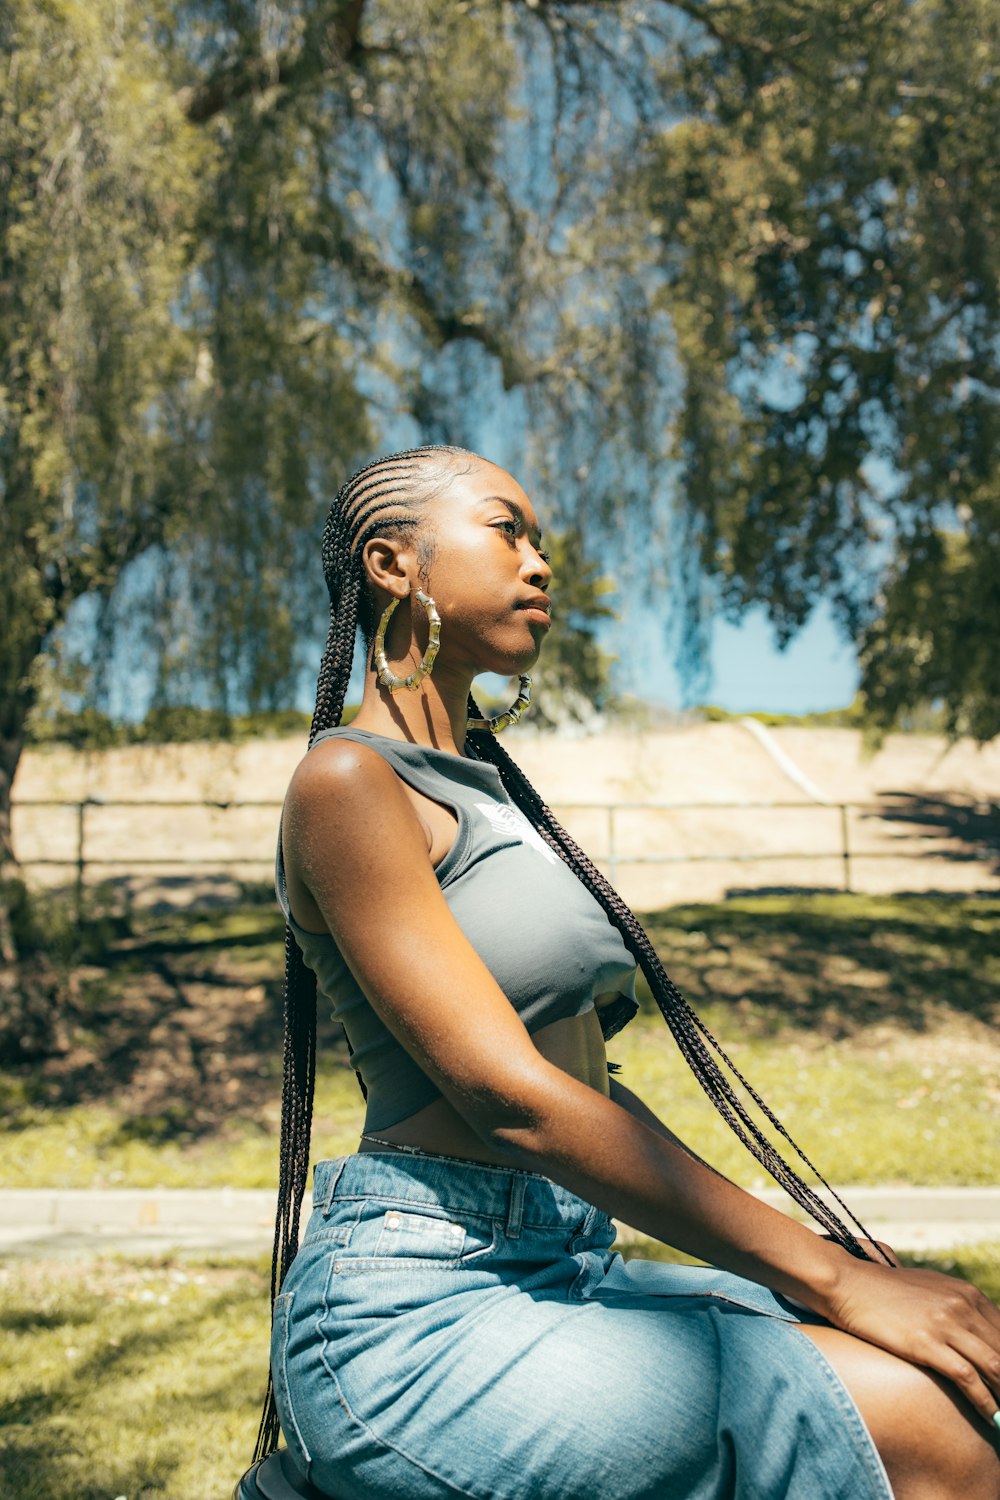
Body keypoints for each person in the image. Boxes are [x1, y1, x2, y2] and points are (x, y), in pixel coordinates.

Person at [239, 445, 1000, 1500]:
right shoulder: (346, 784)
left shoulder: (491, 794)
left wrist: (838, 1265)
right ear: (392, 562)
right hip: (422, 1306)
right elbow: (510, 1099)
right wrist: (823, 1276)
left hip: (561, 1257)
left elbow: (586, 1091)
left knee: (955, 1379)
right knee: (924, 1425)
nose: (541, 562)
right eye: (507, 529)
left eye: (540, 540)